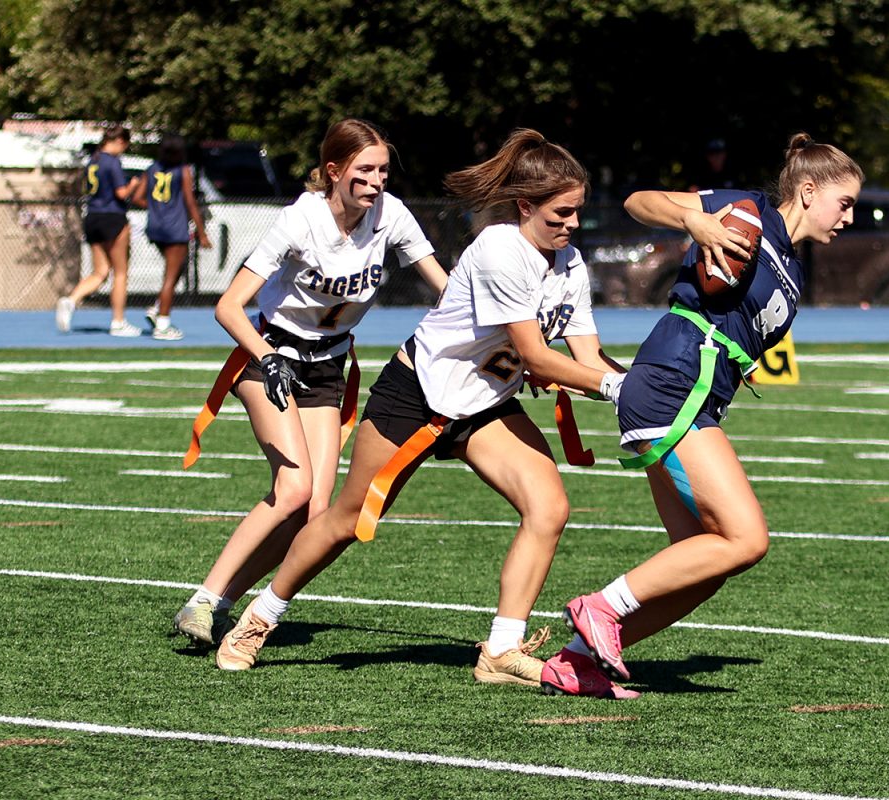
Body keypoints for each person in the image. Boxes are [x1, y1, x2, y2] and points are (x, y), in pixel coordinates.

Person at [214, 129, 626, 691]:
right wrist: (612, 388)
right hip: (419, 394)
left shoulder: (570, 264)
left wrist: (648, 380)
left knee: (549, 506)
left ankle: (501, 650)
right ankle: (260, 616)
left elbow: (585, 355)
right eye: (562, 213)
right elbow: (535, 356)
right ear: (526, 206)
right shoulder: (502, 250)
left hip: (483, 405)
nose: (572, 225)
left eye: (577, 213)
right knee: (344, 521)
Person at [541, 133, 863, 699]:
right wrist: (697, 222)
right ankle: (600, 606)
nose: (850, 218)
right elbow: (638, 201)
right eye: (846, 203)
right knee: (746, 539)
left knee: (706, 569)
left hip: (696, 392)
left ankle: (575, 662)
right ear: (808, 191)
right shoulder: (745, 210)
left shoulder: (795, 263)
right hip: (672, 383)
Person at [171, 119, 449, 648]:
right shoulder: (301, 219)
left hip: (327, 369)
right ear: (333, 171)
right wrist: (270, 357)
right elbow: (229, 307)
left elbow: (446, 288)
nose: (376, 182)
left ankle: (225, 601)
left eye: (383, 171)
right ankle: (204, 600)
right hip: (269, 357)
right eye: (364, 170)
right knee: (293, 488)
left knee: (316, 513)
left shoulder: (391, 216)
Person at [57, 125, 143, 336]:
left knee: (100, 271)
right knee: (121, 272)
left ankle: (71, 300)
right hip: (112, 217)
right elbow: (121, 193)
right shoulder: (111, 162)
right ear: (120, 141)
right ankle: (118, 321)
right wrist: (133, 185)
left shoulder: (92, 161)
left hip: (93, 216)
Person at [131, 134, 212, 341]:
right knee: (170, 276)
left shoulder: (152, 169)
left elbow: (138, 197)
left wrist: (157, 209)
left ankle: (157, 307)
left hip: (156, 228)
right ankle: (163, 324)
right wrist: (202, 233)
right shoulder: (182, 170)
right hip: (175, 229)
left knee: (178, 269)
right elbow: (190, 202)